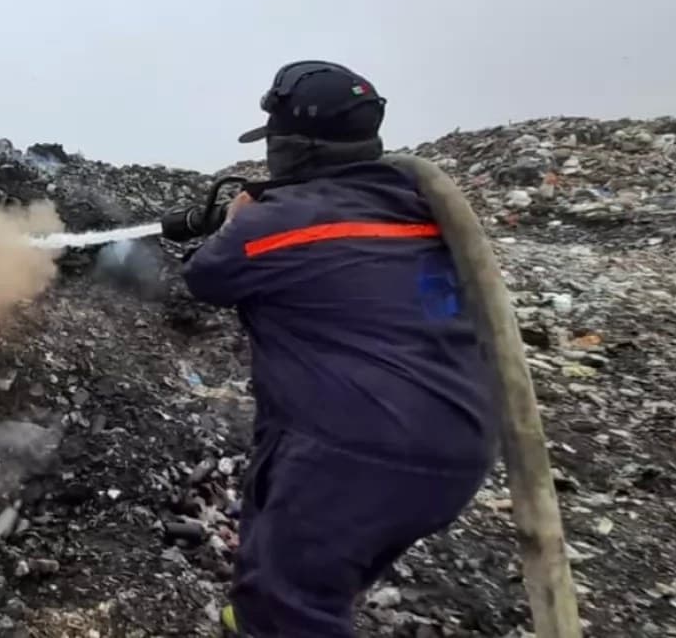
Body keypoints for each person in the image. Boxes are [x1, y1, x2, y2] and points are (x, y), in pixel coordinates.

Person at [180, 61, 497, 637]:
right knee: (285, 544)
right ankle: (250, 617)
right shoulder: (414, 203)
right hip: (456, 439)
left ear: (294, 147)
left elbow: (206, 277)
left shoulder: (279, 223)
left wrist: (236, 223)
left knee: (293, 609)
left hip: (357, 446)